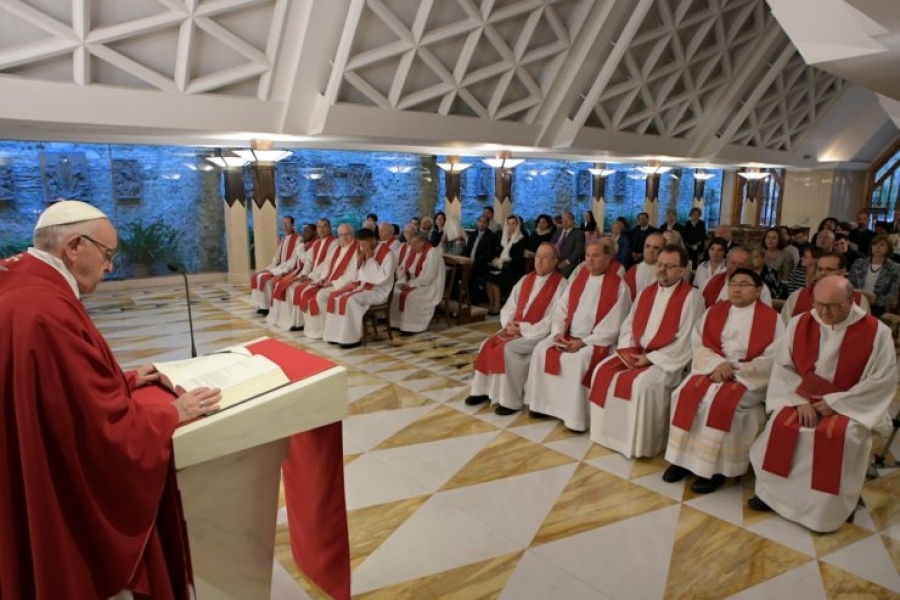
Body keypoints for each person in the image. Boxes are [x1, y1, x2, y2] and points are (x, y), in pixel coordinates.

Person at [0, 201, 221, 599]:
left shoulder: (20, 278)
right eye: (106, 255)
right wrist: (171, 414)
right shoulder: (45, 310)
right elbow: (97, 428)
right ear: (73, 247)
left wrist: (123, 378)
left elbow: (56, 382)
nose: (109, 267)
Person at [747, 276, 897, 532]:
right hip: (802, 395)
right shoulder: (800, 322)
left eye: (833, 306)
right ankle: (774, 496)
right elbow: (784, 367)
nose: (824, 312)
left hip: (851, 403)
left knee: (844, 436)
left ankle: (825, 512)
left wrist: (835, 403)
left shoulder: (876, 332)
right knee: (779, 426)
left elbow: (881, 381)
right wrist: (798, 400)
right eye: (819, 304)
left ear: (851, 301)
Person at [663, 268, 784, 494]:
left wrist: (734, 370)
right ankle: (681, 460)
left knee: (717, 403)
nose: (737, 289)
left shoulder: (773, 319)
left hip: (747, 378)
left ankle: (715, 469)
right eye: (733, 283)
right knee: (684, 394)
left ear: (758, 290)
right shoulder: (713, 312)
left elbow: (773, 358)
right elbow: (698, 343)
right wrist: (716, 364)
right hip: (713, 369)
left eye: (744, 284)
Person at [589, 244, 705, 458]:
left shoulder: (692, 298)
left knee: (642, 384)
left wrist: (650, 358)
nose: (662, 270)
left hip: (666, 361)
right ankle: (606, 435)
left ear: (682, 270)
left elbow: (687, 340)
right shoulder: (646, 293)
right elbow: (629, 324)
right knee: (601, 371)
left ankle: (640, 445)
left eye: (669, 266)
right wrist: (628, 349)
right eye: (660, 264)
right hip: (636, 352)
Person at [523, 239, 631, 432]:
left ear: (608, 258)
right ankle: (541, 405)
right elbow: (561, 310)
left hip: (595, 342)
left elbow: (612, 326)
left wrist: (583, 342)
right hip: (568, 335)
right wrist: (557, 334)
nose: (590, 260)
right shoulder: (578, 280)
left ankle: (574, 418)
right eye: (588, 255)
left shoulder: (619, 287)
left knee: (580, 360)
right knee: (541, 349)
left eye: (596, 256)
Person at [465, 243, 568, 415]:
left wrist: (523, 328)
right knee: (487, 344)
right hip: (514, 328)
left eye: (545, 257)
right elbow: (509, 306)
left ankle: (510, 401)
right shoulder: (525, 279)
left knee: (508, 350)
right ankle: (482, 390)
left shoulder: (562, 285)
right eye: (537, 256)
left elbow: (554, 317)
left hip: (536, 334)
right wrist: (509, 324)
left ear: (555, 261)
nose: (539, 261)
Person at [323, 228, 396, 349]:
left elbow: (383, 278)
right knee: (335, 296)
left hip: (378, 291)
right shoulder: (364, 250)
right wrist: (360, 261)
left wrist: (370, 259)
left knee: (351, 300)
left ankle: (351, 339)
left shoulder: (388, 254)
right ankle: (334, 336)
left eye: (364, 244)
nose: (362, 247)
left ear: (372, 240)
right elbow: (357, 274)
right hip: (362, 286)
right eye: (360, 244)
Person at [269, 219, 336, 331]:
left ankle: (300, 322)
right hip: (312, 275)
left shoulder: (334, 243)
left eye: (325, 226)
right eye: (319, 226)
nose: (322, 229)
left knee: (295, 288)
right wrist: (304, 274)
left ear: (330, 228)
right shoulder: (317, 243)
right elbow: (309, 261)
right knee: (289, 286)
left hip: (324, 277)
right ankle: (293, 320)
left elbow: (326, 264)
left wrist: (310, 277)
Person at [296, 224, 359, 339]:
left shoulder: (357, 249)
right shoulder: (337, 248)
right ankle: (313, 329)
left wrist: (333, 283)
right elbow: (326, 266)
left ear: (353, 234)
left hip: (346, 284)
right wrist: (322, 279)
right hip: (330, 281)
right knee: (307, 290)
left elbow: (353, 274)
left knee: (321, 295)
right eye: (341, 235)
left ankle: (326, 330)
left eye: (347, 234)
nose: (344, 238)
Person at [781, 252, 869, 322]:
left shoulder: (859, 300)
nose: (823, 273)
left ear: (842, 272)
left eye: (829, 269)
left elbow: (864, 331)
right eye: (820, 269)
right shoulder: (797, 296)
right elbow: (784, 328)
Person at [265, 222, 318, 330]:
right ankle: (282, 317)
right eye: (304, 231)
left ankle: (296, 321)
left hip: (308, 273)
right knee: (279, 283)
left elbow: (308, 262)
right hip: (296, 271)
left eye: (308, 231)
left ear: (314, 232)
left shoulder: (315, 244)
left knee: (291, 287)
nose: (304, 234)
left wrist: (304, 274)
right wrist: (282, 272)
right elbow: (293, 261)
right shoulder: (303, 245)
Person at [390, 233, 445, 334]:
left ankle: (413, 327)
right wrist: (403, 280)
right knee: (395, 291)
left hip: (428, 286)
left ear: (422, 243)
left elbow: (427, 277)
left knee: (411, 296)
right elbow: (402, 267)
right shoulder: (414, 251)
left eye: (414, 244)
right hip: (413, 281)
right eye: (411, 244)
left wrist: (410, 284)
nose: (412, 247)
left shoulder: (431, 253)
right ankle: (397, 323)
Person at [250, 215, 300, 314]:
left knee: (267, 281)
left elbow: (293, 260)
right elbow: (276, 258)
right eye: (283, 224)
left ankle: (269, 307)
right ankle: (263, 305)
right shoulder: (284, 239)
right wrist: (268, 269)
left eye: (287, 224)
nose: (284, 226)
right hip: (278, 268)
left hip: (288, 270)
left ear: (293, 225)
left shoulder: (298, 240)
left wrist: (280, 271)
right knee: (258, 276)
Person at [699, 246, 772, 307]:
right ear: (726, 263)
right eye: (732, 263)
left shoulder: (761, 289)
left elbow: (766, 315)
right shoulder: (710, 281)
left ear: (750, 267)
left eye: (741, 264)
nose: (735, 267)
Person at [484, 215, 528, 315]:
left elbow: (517, 258)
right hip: (502, 268)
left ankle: (497, 306)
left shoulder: (521, 239)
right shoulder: (504, 238)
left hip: (514, 270)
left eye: (513, 224)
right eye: (509, 224)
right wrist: (496, 259)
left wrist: (503, 261)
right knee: (487, 280)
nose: (511, 226)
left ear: (518, 225)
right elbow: (499, 252)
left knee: (495, 281)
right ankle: (491, 305)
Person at [848, 234, 900, 317]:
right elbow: (850, 284)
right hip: (856, 301)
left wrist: (875, 301)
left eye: (882, 245)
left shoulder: (895, 268)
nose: (877, 247)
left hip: (878, 306)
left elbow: (892, 294)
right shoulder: (859, 263)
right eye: (874, 244)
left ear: (889, 248)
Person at [463, 214, 498, 303]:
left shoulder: (491, 236)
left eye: (484, 222)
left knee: (472, 273)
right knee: (456, 271)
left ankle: (472, 300)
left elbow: (488, 254)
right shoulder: (473, 234)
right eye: (480, 221)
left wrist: (474, 262)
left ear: (487, 224)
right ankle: (458, 297)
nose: (481, 224)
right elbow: (467, 249)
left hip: (482, 264)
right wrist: (463, 258)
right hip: (469, 262)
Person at [623, 232, 664, 299]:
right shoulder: (633, 271)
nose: (651, 250)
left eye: (656, 248)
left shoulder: (665, 272)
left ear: (663, 250)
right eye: (648, 246)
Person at [550, 211, 585, 278]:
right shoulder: (557, 232)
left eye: (567, 219)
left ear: (572, 221)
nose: (564, 221)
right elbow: (550, 246)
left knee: (563, 276)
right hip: (553, 260)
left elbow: (579, 250)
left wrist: (567, 262)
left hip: (568, 262)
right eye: (563, 219)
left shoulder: (578, 233)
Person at [762, 227, 795, 291]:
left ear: (779, 240)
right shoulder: (759, 253)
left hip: (777, 289)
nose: (770, 240)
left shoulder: (787, 256)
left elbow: (786, 279)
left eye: (774, 238)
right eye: (768, 237)